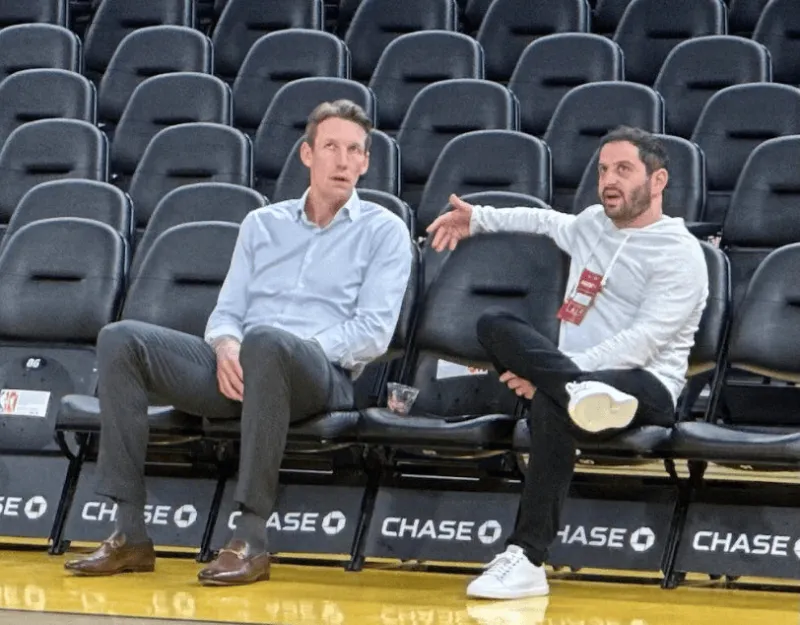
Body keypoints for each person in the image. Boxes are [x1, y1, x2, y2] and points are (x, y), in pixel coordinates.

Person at [64, 100, 413, 586]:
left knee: (267, 341)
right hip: (241, 368)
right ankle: (130, 534)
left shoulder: (384, 230)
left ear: (366, 162)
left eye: (354, 150)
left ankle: (250, 539)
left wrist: (286, 349)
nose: (343, 160)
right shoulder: (261, 224)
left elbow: (373, 331)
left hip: (320, 375)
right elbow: (227, 311)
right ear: (307, 154)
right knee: (121, 339)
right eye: (331, 146)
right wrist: (227, 346)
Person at [427, 126, 708, 600]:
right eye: (603, 170)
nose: (608, 180)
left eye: (623, 169)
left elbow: (642, 343)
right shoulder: (592, 224)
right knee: (494, 323)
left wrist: (556, 377)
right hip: (579, 383)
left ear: (657, 180)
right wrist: (478, 217)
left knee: (554, 403)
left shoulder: (680, 254)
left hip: (646, 386)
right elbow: (542, 220)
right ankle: (572, 391)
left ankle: (527, 558)